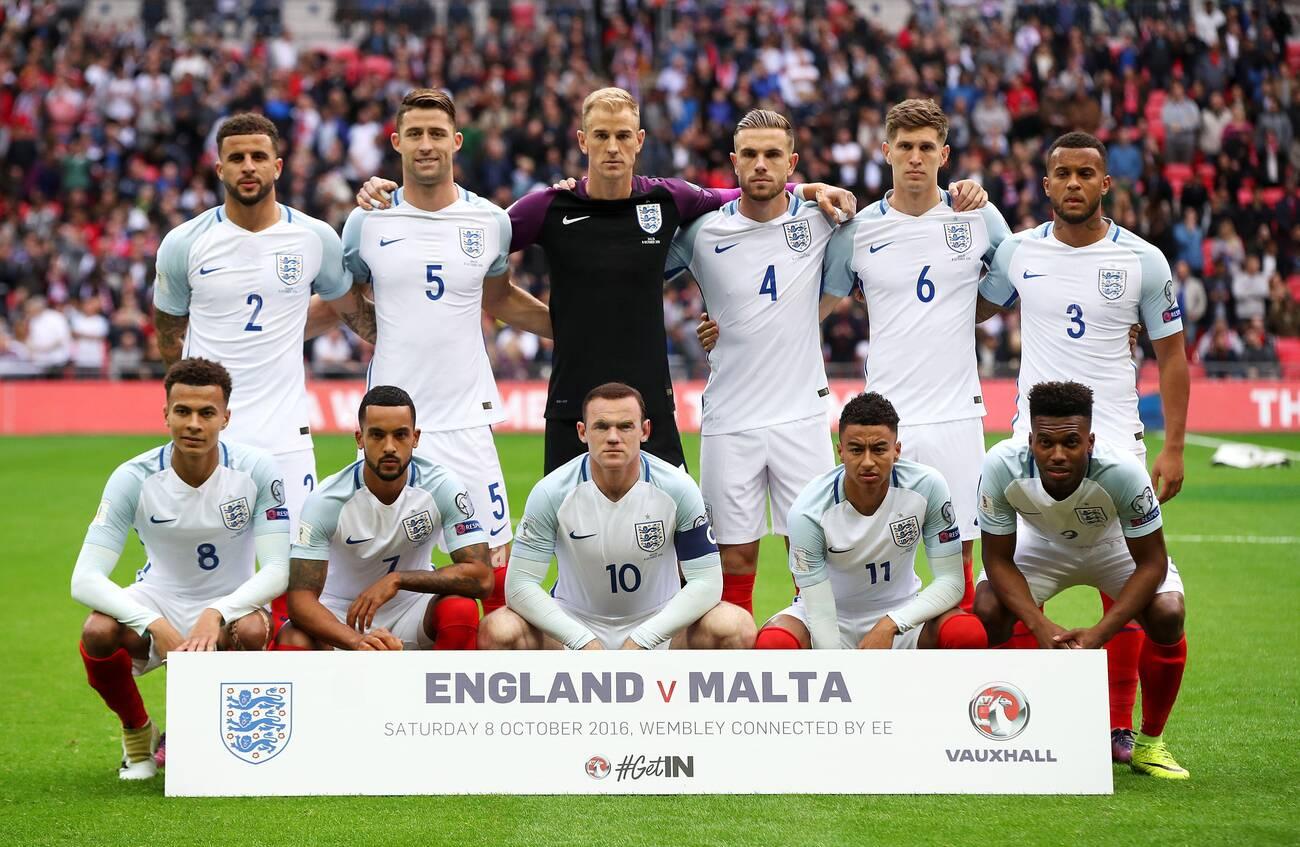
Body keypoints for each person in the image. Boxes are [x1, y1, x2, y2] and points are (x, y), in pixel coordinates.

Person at [357, 86, 866, 474]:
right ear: (583, 140)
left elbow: (747, 194)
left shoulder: (668, 199)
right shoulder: (547, 207)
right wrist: (561, 323)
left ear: (639, 141)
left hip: (652, 403)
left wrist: (808, 188)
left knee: (678, 549)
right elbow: (471, 241)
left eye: (623, 136)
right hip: (570, 403)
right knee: (567, 544)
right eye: (600, 135)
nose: (612, 147)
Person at [981, 131, 1191, 763]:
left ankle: (1128, 733)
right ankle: (1025, 726)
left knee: (1136, 592)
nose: (1074, 183)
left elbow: (1172, 357)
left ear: (1106, 183)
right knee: (995, 603)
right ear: (1046, 183)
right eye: (1062, 173)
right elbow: (969, 307)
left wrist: (1175, 447)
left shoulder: (1144, 260)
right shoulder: (1017, 251)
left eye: (1086, 173)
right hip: (1034, 449)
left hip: (1117, 446)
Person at [341, 89, 552, 612]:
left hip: (465, 419)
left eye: (437, 133)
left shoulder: (490, 221)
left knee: (493, 574)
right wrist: (382, 331)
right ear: (396, 142)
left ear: (456, 142)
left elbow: (501, 299)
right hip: (389, 424)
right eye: (414, 134)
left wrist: (572, 330)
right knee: (373, 567)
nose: (426, 144)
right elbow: (346, 295)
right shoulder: (366, 221)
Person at [819, 98, 1011, 611]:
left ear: (944, 155)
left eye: (927, 147)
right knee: (875, 548)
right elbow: (817, 304)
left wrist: (969, 309)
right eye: (905, 146)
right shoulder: (858, 230)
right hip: (886, 420)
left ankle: (958, 648)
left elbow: (1019, 275)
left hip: (955, 413)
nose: (915, 157)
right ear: (886, 151)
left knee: (960, 553)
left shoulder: (978, 216)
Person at [663, 109, 853, 616]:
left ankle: (816, 651)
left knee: (812, 554)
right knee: (733, 559)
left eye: (772, 154)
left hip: (802, 415)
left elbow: (846, 272)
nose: (761, 164)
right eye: (749, 154)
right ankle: (736, 653)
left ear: (792, 163)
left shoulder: (822, 220)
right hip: (731, 417)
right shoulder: (703, 232)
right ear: (734, 163)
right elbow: (640, 268)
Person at [152, 112, 377, 532]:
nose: (248, 167)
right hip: (211, 436)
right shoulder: (184, 243)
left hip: (286, 436)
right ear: (219, 169)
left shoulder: (314, 237)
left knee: (300, 562)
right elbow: (168, 335)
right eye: (236, 158)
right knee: (210, 562)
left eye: (258, 157)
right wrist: (192, 407)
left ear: (278, 166)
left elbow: (353, 313)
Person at [71, 358, 290, 779]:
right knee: (97, 630)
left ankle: (221, 736)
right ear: (165, 414)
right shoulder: (132, 477)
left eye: (206, 413)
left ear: (225, 418)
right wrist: (152, 622)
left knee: (250, 630)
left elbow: (278, 569)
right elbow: (84, 579)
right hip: (157, 599)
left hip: (231, 601)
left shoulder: (256, 469)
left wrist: (217, 611)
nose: (193, 424)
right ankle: (138, 734)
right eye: (182, 411)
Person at [975, 381, 1189, 780]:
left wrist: (1099, 634)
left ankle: (1149, 744)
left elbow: (1152, 564)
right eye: (1045, 443)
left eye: (1071, 442)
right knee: (988, 609)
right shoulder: (1001, 464)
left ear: (1090, 442)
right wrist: (1039, 624)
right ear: (1031, 441)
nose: (1057, 454)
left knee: (1168, 612)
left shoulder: (1123, 472)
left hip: (1112, 546)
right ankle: (1015, 733)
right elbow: (996, 559)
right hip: (1041, 545)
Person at [477, 382, 754, 650]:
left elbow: (707, 582)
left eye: (625, 426)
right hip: (574, 627)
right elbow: (519, 585)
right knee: (499, 629)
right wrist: (580, 639)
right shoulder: (551, 492)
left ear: (645, 430)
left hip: (659, 626)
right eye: (601, 426)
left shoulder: (677, 487)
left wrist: (645, 638)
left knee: (734, 626)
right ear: (582, 432)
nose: (613, 437)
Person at [755, 392, 986, 651]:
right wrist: (845, 666)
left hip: (902, 614)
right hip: (829, 618)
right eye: (856, 450)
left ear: (896, 451)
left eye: (879, 449)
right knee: (773, 643)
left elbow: (952, 582)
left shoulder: (927, 486)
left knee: (967, 633)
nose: (867, 462)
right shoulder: (808, 511)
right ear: (841, 452)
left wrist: (891, 624)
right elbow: (820, 615)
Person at [278, 386, 493, 651]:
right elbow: (300, 599)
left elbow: (482, 577)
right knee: (293, 637)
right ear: (360, 439)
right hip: (343, 615)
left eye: (400, 435)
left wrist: (398, 579)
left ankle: (434, 680)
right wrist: (357, 641)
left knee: (460, 610)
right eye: (377, 435)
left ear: (415, 437)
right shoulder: (327, 500)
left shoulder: (441, 487)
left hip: (411, 609)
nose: (389, 447)